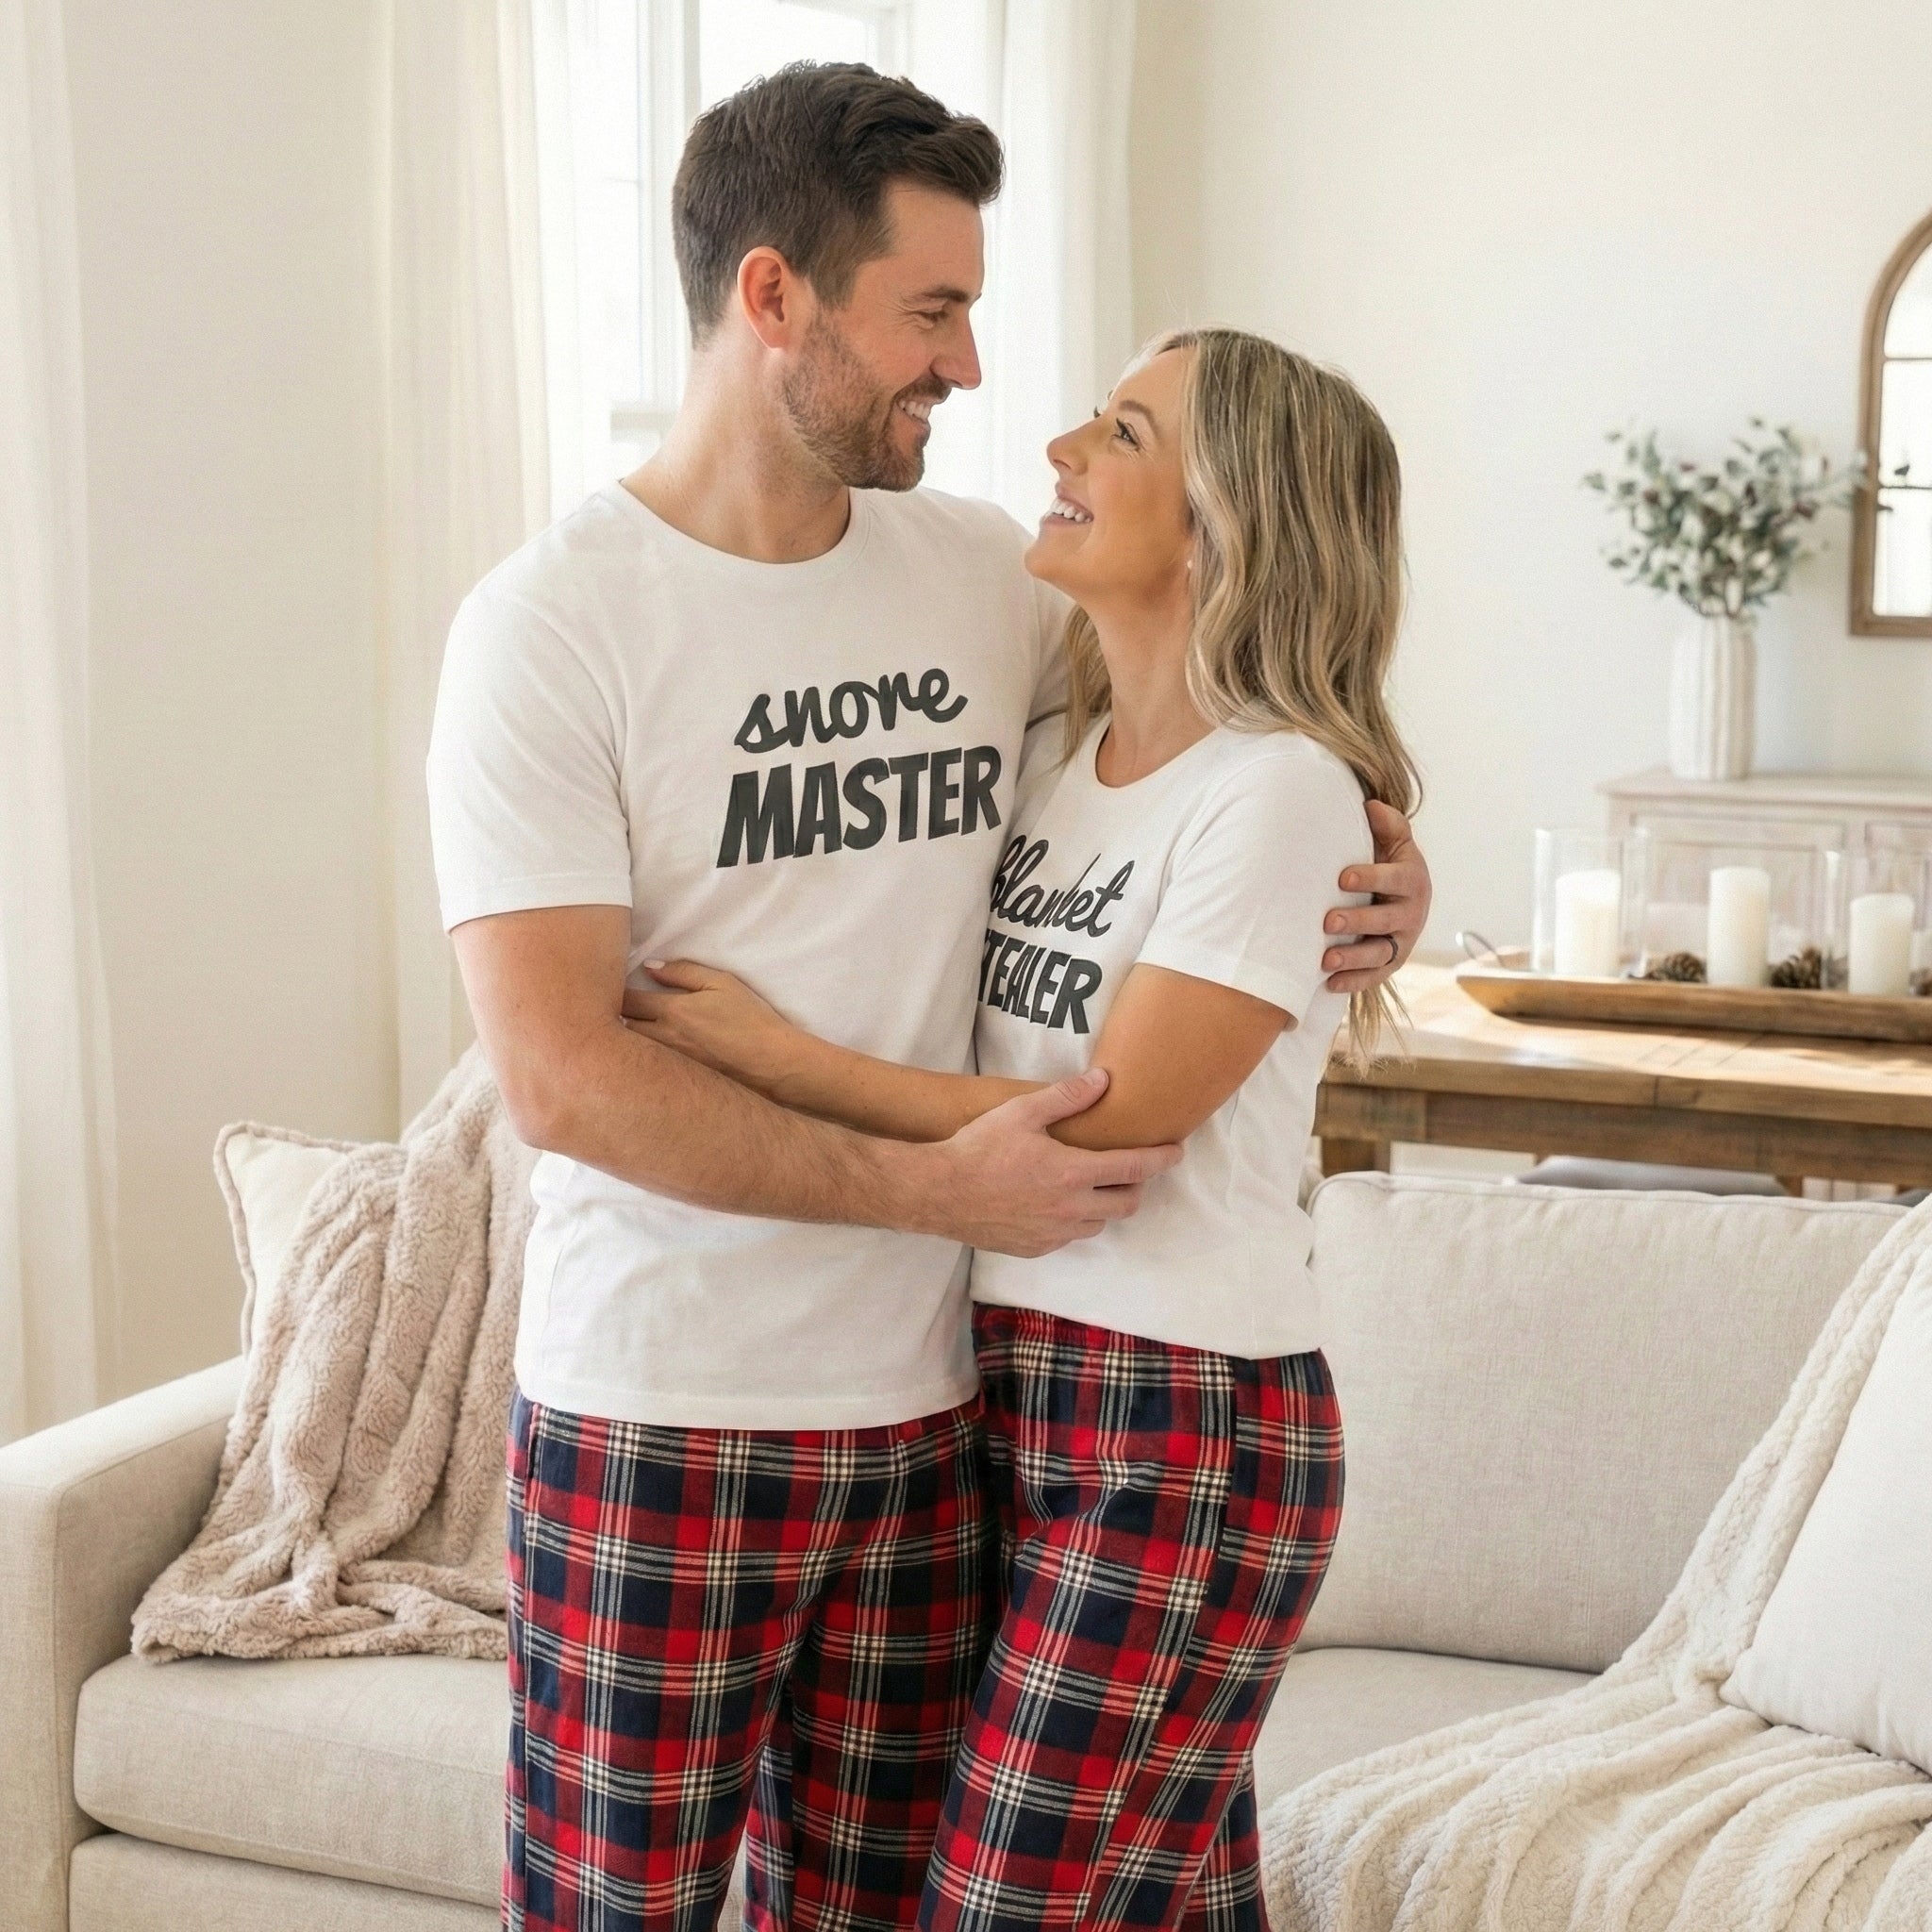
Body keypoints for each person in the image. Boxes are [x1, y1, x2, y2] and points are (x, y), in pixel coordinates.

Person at [426, 63, 1430, 1932]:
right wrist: (927, 1188)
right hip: (661, 1405)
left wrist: (1381, 861)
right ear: (773, 296)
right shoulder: (548, 628)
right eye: (933, 310)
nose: (969, 369)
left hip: (936, 1421)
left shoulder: (984, 576)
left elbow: (1226, 705)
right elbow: (562, 1079)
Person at [623, 327, 1415, 1931]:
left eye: (1122, 432)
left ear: (1224, 523)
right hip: (1008, 1397)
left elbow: (1106, 1124)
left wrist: (780, 1063)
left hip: (1184, 1425)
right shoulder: (1056, 761)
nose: (1061, 445)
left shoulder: (1278, 794)